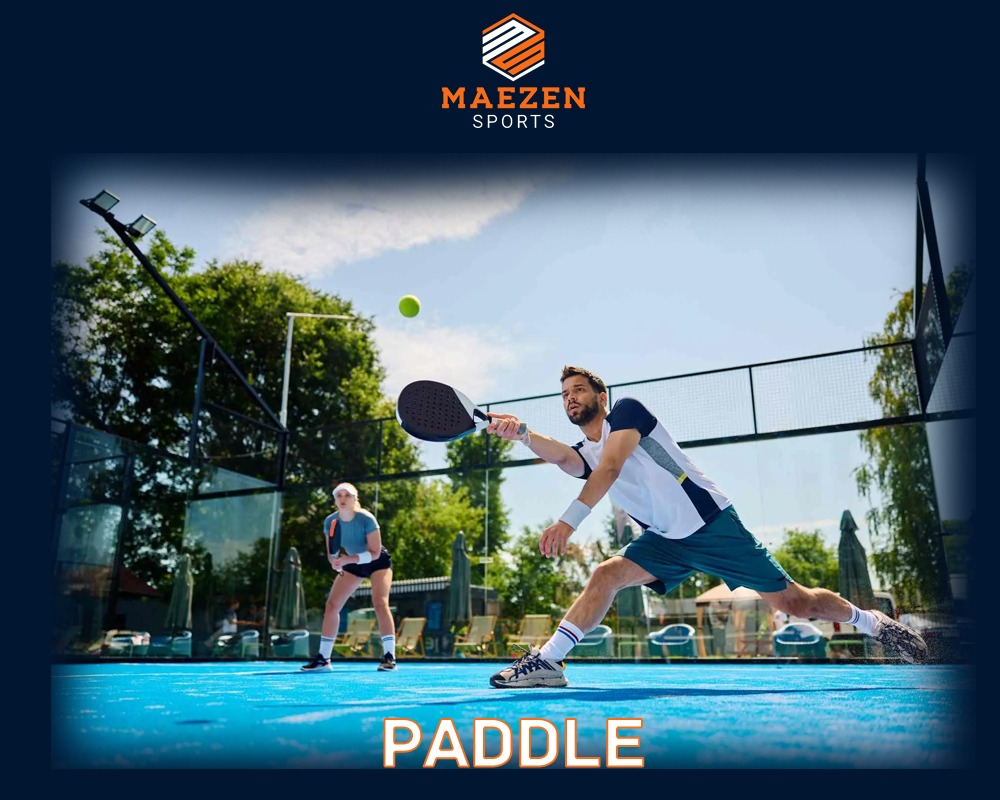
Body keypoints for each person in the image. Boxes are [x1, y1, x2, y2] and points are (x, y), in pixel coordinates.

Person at [484, 366, 927, 688]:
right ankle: (549, 662)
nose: (570, 398)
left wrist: (568, 521)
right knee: (606, 574)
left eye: (578, 390)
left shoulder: (628, 413)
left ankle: (875, 624)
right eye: (564, 394)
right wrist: (521, 433)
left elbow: (612, 467)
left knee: (795, 602)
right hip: (664, 542)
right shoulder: (588, 449)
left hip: (712, 526)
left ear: (601, 395)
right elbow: (566, 457)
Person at [301, 482, 398, 672]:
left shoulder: (366, 518)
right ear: (335, 500)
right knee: (331, 606)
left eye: (347, 495)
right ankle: (323, 659)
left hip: (378, 561)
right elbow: (331, 553)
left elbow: (376, 552)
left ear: (355, 499)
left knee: (380, 602)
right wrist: (335, 561)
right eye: (339, 495)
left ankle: (389, 657)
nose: (343, 499)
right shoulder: (330, 522)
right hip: (351, 563)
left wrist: (347, 560)